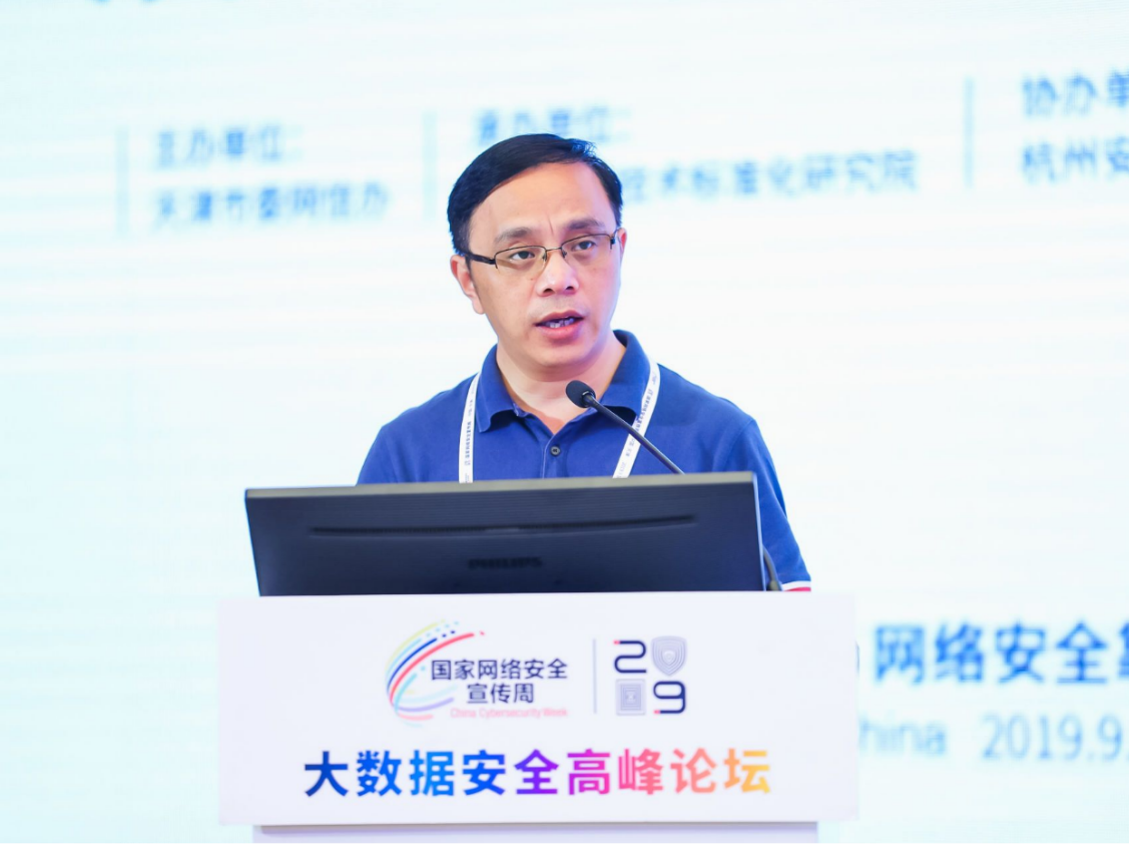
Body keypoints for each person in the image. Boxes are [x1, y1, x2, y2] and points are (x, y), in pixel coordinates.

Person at [359, 134, 811, 590]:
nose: (558, 279)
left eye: (583, 244)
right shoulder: (409, 451)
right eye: (521, 254)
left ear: (620, 250)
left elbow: (792, 624)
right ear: (468, 280)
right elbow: (350, 625)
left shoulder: (715, 438)